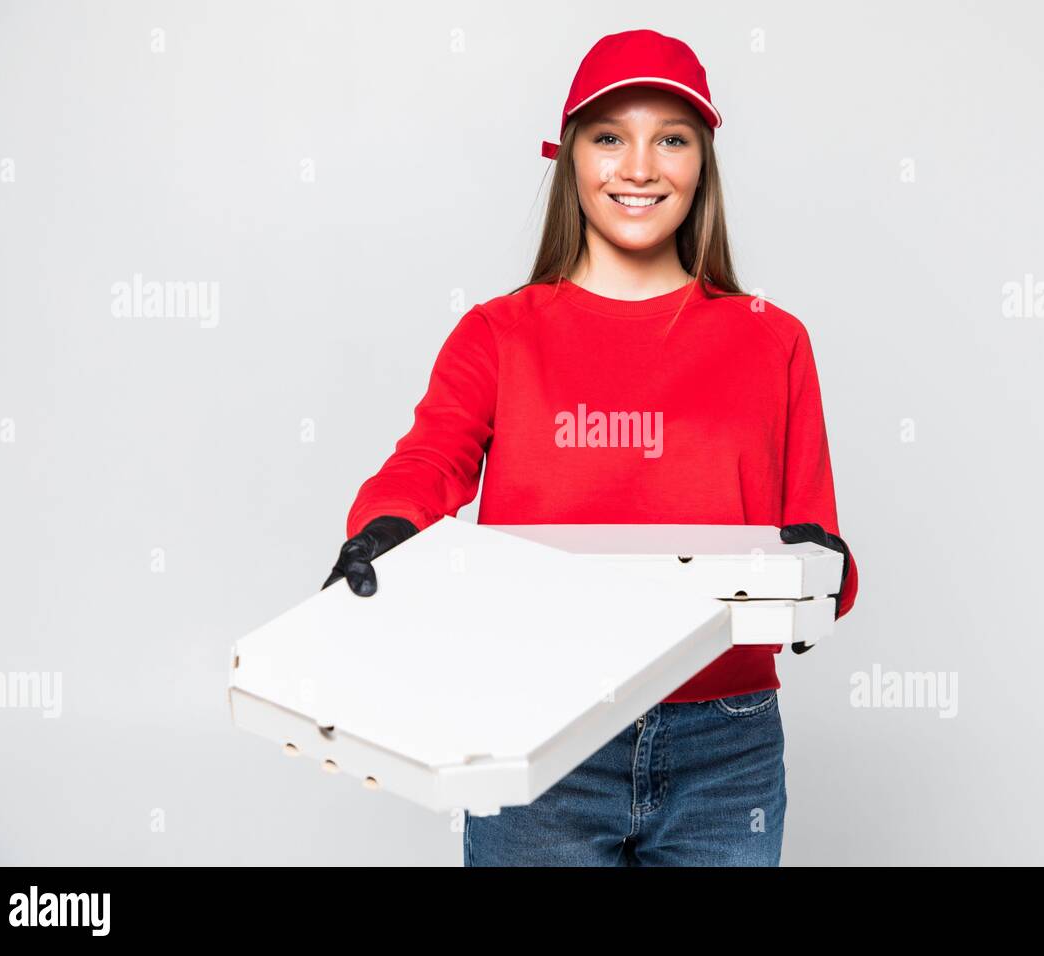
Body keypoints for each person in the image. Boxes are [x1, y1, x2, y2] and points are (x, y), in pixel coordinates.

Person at [322, 29, 858, 866]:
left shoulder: (773, 340)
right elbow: (428, 466)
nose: (639, 167)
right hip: (538, 727)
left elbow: (817, 540)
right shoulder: (500, 333)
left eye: (670, 139)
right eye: (611, 137)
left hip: (727, 750)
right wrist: (386, 527)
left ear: (702, 163)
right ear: (571, 157)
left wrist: (823, 572)